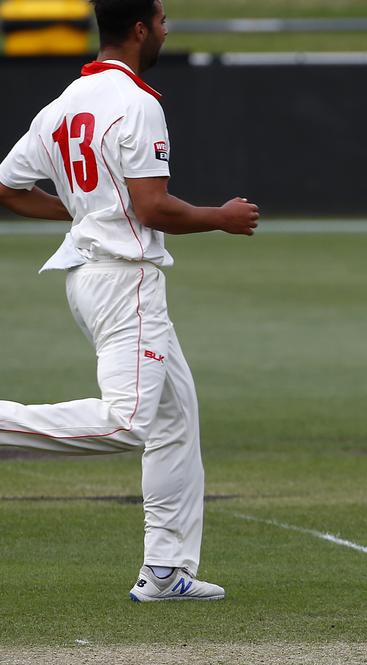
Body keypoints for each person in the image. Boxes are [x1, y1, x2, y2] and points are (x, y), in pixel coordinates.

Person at [0, 0, 258, 601]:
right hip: (125, 279)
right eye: (163, 20)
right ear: (140, 28)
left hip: (91, 276)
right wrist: (220, 217)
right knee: (129, 422)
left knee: (175, 417)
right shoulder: (139, 103)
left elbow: (9, 188)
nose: (168, 29)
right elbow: (151, 207)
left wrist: (89, 207)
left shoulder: (62, 104)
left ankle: (166, 570)